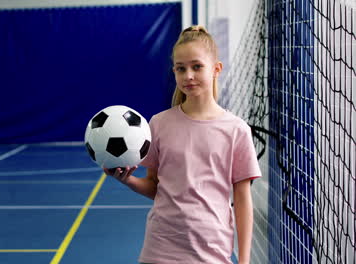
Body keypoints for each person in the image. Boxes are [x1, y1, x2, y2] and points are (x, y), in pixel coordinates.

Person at [104, 25, 261, 264]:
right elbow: (157, 188)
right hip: (160, 249)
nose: (188, 75)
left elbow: (242, 200)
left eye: (197, 66)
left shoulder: (236, 130)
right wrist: (127, 180)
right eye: (181, 68)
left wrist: (245, 260)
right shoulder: (159, 124)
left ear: (216, 69)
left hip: (212, 252)